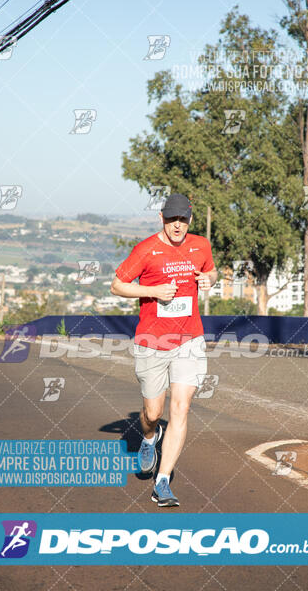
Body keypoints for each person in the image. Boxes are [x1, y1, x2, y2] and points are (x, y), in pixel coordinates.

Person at [111, 193, 217, 507]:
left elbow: (211, 271)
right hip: (152, 341)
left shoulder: (201, 245)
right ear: (162, 219)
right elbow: (117, 285)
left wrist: (208, 279)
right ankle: (148, 437)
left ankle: (162, 482)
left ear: (190, 220)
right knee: (153, 413)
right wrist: (152, 290)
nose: (177, 226)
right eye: (171, 220)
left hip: (190, 339)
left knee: (180, 408)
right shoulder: (146, 249)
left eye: (182, 220)